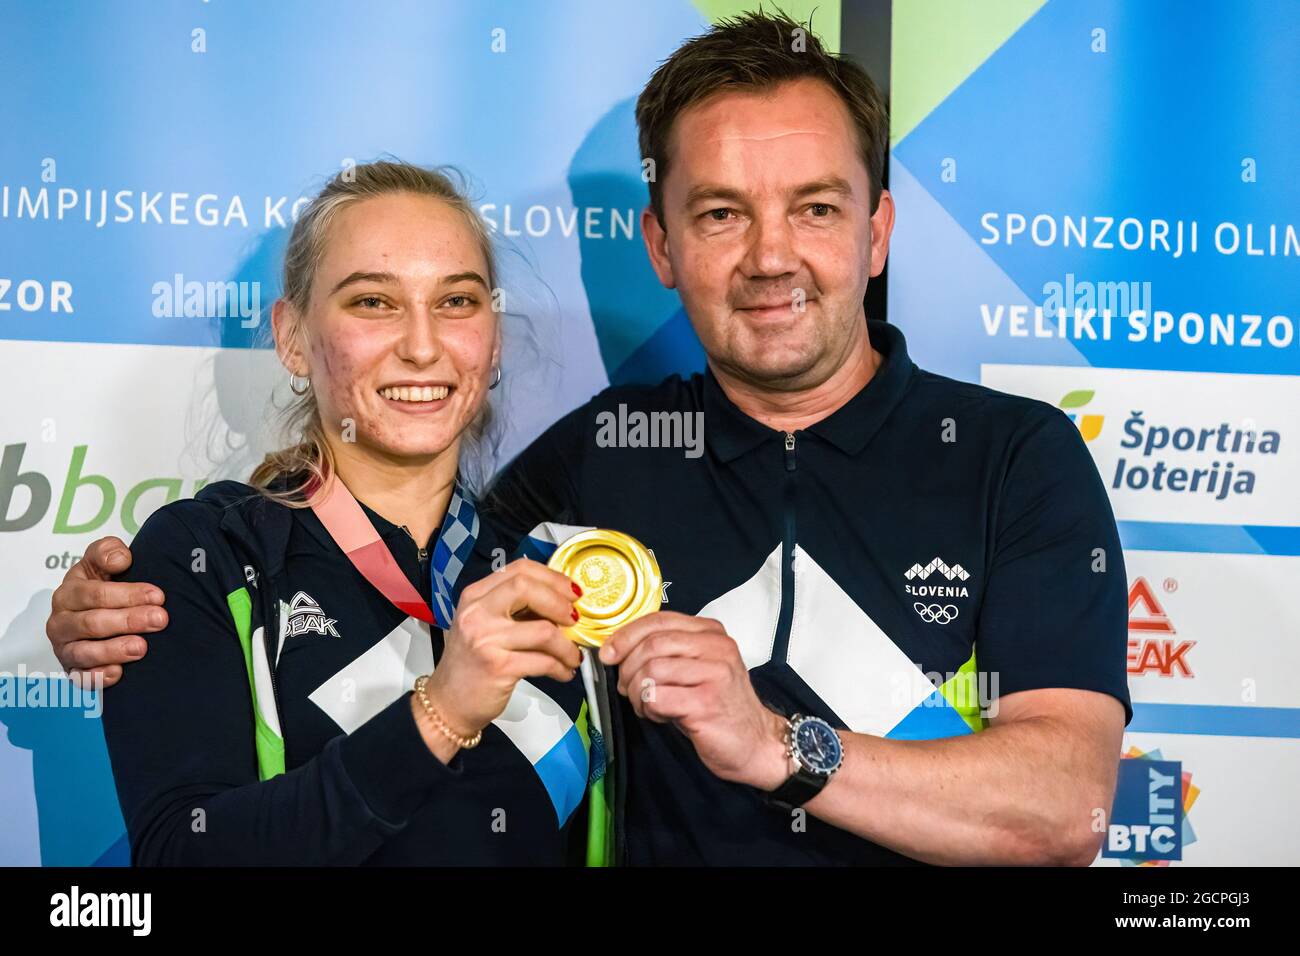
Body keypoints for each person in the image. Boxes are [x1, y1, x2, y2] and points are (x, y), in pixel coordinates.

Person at [49, 13, 1131, 866]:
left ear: (877, 230)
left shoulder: (1015, 457)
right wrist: (133, 599)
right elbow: (382, 526)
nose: (767, 256)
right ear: (659, 243)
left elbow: (1065, 809)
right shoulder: (590, 468)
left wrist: (776, 747)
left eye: (812, 207)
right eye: (718, 213)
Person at [66, 160, 596, 865]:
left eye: (457, 302)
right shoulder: (206, 553)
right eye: (373, 302)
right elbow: (178, 855)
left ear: (492, 339)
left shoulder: (554, 579)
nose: (422, 345)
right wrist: (437, 714)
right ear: (291, 338)